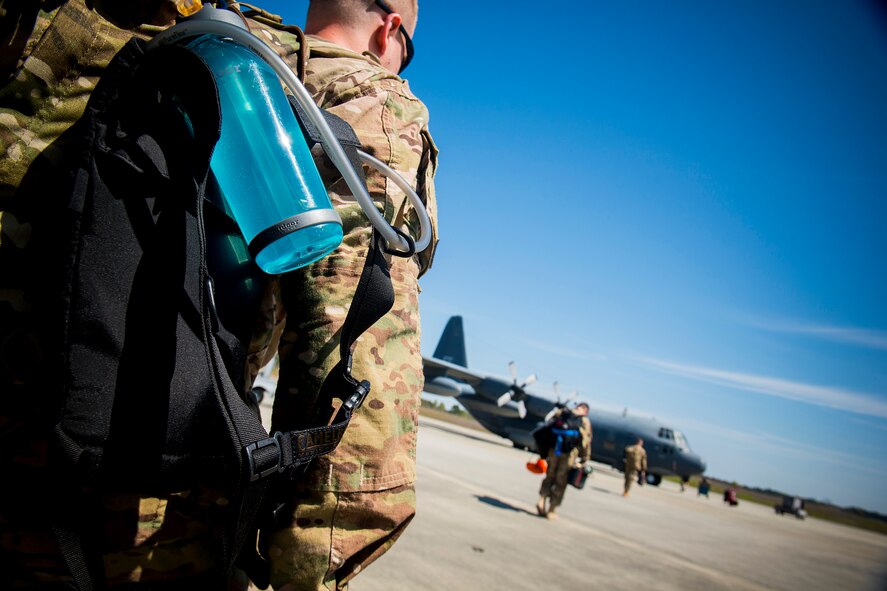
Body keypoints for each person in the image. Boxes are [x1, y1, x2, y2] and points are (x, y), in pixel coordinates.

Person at [0, 0, 436, 588]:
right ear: (390, 32)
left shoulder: (146, 34)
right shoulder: (346, 91)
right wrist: (310, 574)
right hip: (136, 514)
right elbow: (353, 363)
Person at [535, 402, 592, 520]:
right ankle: (552, 510)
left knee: (549, 476)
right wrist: (585, 458)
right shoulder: (584, 421)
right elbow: (586, 440)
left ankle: (541, 500)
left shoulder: (563, 413)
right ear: (586, 411)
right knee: (561, 481)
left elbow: (548, 424)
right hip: (569, 454)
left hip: (554, 450)